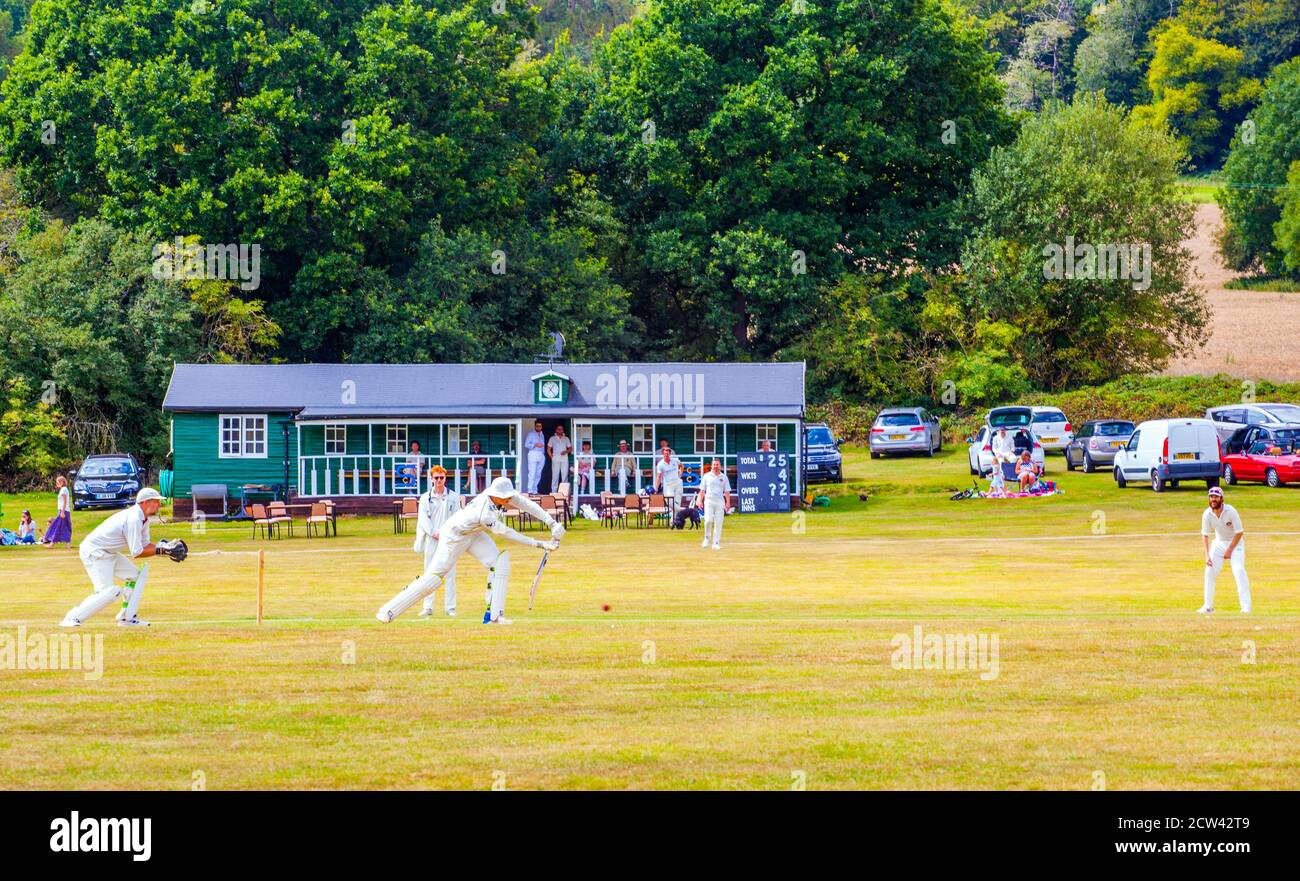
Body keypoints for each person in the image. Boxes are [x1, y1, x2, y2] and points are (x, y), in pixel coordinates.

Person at [376, 476, 563, 626]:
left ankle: (494, 617)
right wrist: (539, 544)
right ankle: (389, 610)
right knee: (433, 579)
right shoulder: (485, 513)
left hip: (473, 533)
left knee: (499, 563)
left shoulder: (501, 495)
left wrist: (551, 522)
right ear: (496, 495)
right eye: (506, 497)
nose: (508, 500)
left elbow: (527, 504)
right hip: (454, 537)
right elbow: (506, 533)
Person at [59, 488, 184, 628]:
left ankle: (127, 618)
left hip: (109, 553)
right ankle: (71, 618)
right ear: (145, 502)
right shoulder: (134, 518)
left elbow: (145, 545)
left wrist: (164, 548)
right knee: (109, 592)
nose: (159, 505)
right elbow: (137, 552)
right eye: (156, 502)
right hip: (95, 552)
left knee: (137, 576)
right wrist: (163, 550)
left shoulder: (144, 519)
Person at [414, 466, 463, 617]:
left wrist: (446, 533)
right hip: (432, 539)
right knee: (429, 573)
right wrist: (433, 532)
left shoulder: (454, 497)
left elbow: (458, 517)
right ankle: (428, 607)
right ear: (431, 479)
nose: (439, 480)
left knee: (450, 574)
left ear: (445, 478)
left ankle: (450, 608)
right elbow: (423, 519)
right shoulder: (425, 498)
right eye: (436, 478)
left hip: (448, 541)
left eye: (441, 477)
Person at [1200, 486, 1251, 615]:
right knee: (1209, 571)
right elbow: (1205, 535)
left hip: (1236, 544)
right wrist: (1207, 556)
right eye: (1211, 497)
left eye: (1216, 497)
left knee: (1239, 571)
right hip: (1219, 543)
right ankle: (1208, 606)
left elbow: (1239, 533)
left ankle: (1246, 607)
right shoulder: (1207, 514)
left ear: (1221, 498)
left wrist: (1229, 550)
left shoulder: (1231, 511)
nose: (1213, 499)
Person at [696, 458, 732, 550]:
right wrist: (699, 500)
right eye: (714, 465)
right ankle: (707, 538)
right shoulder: (706, 476)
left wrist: (728, 503)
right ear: (711, 466)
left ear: (720, 466)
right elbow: (702, 490)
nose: (716, 466)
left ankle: (716, 542)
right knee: (708, 520)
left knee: (719, 522)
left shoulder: (724, 477)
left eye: (717, 465)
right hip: (708, 500)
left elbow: (727, 491)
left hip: (720, 501)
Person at [42, 475, 73, 546]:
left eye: (57, 482)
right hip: (65, 511)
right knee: (65, 526)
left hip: (63, 511)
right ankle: (68, 544)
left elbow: (65, 501)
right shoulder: (64, 489)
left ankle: (51, 543)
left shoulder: (64, 489)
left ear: (61, 482)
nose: (57, 484)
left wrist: (62, 512)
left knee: (57, 526)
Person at [653, 445, 684, 515]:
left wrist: (680, 474)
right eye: (665, 453)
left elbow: (682, 465)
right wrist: (656, 488)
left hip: (678, 483)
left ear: (670, 454)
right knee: (668, 501)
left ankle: (673, 522)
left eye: (667, 453)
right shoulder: (660, 464)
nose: (666, 455)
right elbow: (658, 477)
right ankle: (680, 511)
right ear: (662, 454)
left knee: (677, 502)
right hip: (668, 484)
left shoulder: (675, 460)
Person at [548, 424, 572, 493]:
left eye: (561, 429)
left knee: (564, 475)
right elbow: (548, 449)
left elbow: (570, 448)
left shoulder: (566, 438)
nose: (560, 430)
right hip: (556, 457)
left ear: (563, 430)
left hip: (564, 457)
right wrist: (552, 457)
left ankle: (564, 493)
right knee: (555, 475)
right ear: (556, 430)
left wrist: (566, 451)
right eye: (558, 429)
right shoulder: (552, 438)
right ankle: (554, 493)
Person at [524, 420, 547, 494]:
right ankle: (530, 490)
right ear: (535, 426)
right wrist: (535, 445)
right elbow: (526, 444)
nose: (538, 427)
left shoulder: (542, 434)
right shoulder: (531, 434)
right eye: (537, 426)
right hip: (533, 453)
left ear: (541, 427)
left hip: (541, 454)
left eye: (540, 426)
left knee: (538, 473)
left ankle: (535, 490)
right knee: (532, 472)